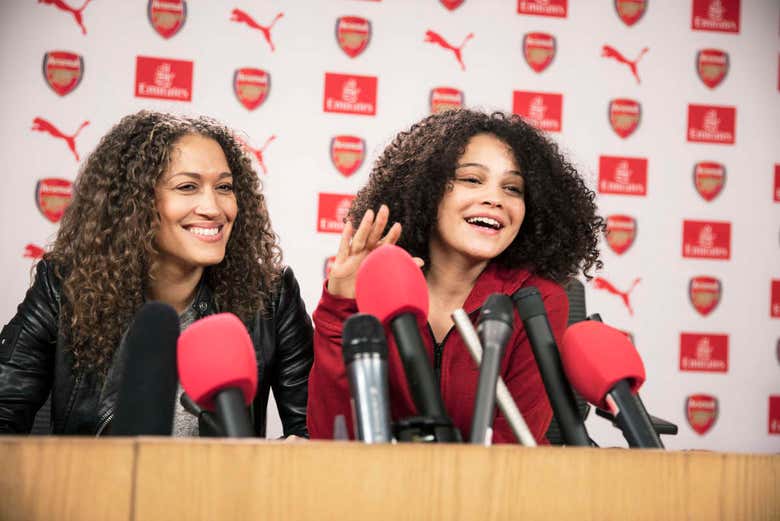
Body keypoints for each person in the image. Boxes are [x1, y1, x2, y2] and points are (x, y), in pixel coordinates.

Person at [0, 111, 313, 437]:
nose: (214, 207)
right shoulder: (65, 287)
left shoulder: (271, 296)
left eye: (224, 187)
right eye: (188, 187)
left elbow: (313, 432)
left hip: (223, 489)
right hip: (102, 487)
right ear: (135, 201)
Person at [307, 109, 602, 443]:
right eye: (472, 179)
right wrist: (340, 305)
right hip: (378, 489)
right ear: (429, 189)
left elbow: (514, 451)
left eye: (513, 188)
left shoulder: (537, 301)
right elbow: (332, 439)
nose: (495, 199)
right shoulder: (377, 287)